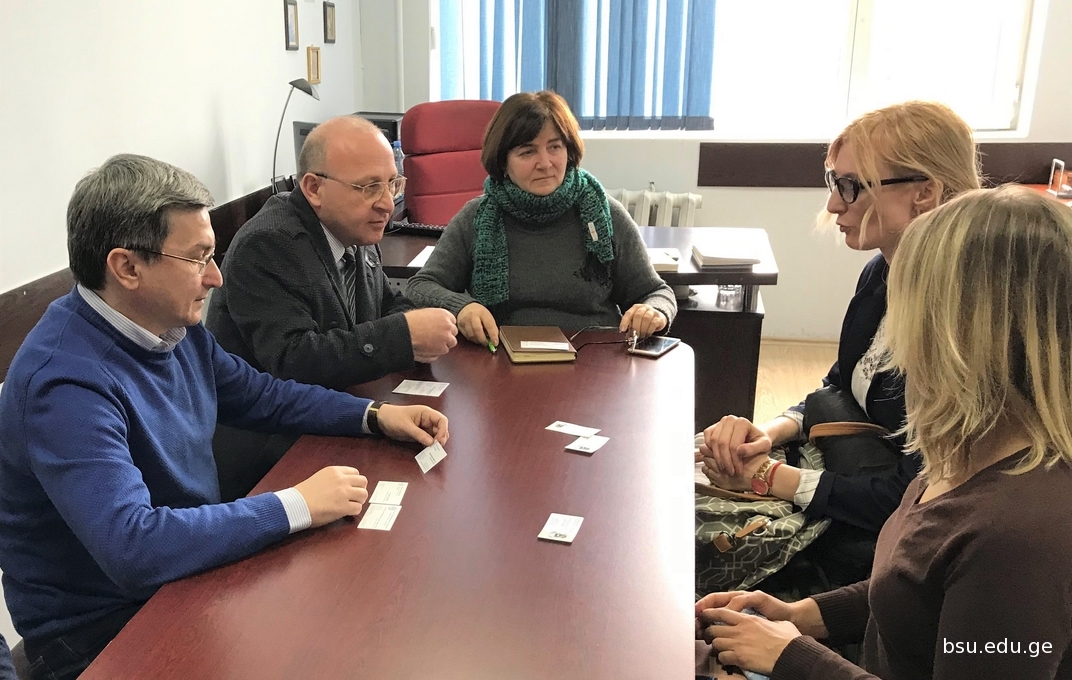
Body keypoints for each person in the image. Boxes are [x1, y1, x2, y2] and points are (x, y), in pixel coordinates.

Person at [0, 155, 449, 680]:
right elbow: (135, 548)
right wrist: (296, 504)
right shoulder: (64, 383)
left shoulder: (171, 325)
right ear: (127, 268)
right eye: (199, 258)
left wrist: (373, 415)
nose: (215, 277)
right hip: (102, 636)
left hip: (186, 575)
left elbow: (262, 396)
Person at [696, 185, 1072, 679]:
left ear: (965, 334)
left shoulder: (1021, 540)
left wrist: (794, 657)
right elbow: (911, 590)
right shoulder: (966, 449)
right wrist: (805, 615)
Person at [700, 101, 981, 583]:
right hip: (845, 477)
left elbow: (919, 495)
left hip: (885, 542)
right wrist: (767, 433)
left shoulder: (962, 322)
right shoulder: (881, 273)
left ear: (925, 192)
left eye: (852, 186)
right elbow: (840, 385)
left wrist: (767, 477)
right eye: (835, 183)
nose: (833, 205)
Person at [207, 116, 458, 498]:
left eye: (393, 183)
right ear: (314, 188)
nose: (387, 203)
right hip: (273, 453)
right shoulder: (269, 244)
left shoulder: (352, 227)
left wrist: (413, 327)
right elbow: (294, 362)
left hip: (339, 413)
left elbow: (388, 304)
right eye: (369, 187)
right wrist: (403, 336)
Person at [406, 90, 676, 345]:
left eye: (555, 147)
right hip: (501, 358)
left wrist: (653, 311)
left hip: (594, 359)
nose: (545, 163)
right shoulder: (476, 218)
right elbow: (421, 286)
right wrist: (462, 307)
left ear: (569, 151)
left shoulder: (605, 215)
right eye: (528, 152)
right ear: (503, 162)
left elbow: (655, 292)